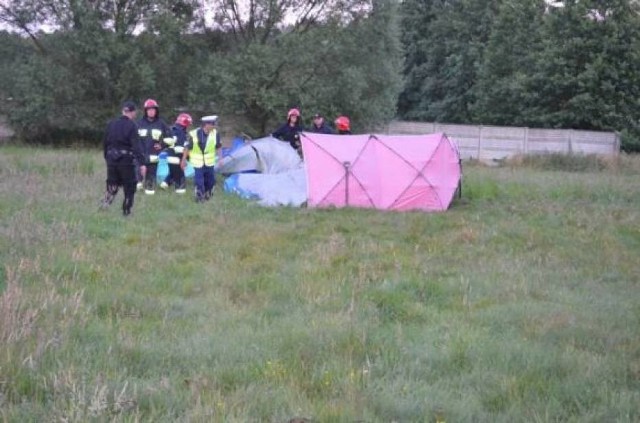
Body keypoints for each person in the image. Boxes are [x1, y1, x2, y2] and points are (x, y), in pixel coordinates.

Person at [99, 101, 146, 217]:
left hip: (111, 159)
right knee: (130, 186)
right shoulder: (132, 125)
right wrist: (142, 163)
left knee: (112, 184)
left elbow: (105, 143)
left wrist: (107, 158)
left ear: (123, 111)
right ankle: (126, 211)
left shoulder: (111, 124)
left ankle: (105, 204)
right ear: (133, 112)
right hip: (125, 160)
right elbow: (136, 146)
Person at [181, 115, 221, 203]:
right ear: (206, 124)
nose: (214, 126)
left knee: (210, 181)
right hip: (197, 162)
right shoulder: (193, 134)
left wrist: (221, 159)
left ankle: (208, 195)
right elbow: (187, 148)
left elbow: (218, 147)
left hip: (209, 162)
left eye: (214, 124)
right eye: (212, 124)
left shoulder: (215, 133)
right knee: (199, 181)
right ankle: (199, 198)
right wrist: (183, 160)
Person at [137, 98, 171, 195]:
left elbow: (171, 138)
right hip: (140, 156)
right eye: (149, 109)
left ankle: (149, 197)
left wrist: (162, 145)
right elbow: (133, 139)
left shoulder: (161, 124)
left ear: (156, 111)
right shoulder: (139, 123)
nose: (151, 111)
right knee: (137, 178)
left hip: (153, 157)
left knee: (150, 182)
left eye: (153, 109)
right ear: (146, 111)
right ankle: (137, 189)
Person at [161, 113, 192, 194]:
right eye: (188, 125)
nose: (188, 127)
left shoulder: (171, 130)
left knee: (173, 172)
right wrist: (186, 158)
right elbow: (181, 148)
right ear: (185, 124)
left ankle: (165, 184)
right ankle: (180, 193)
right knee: (180, 176)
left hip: (169, 156)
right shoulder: (181, 133)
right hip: (176, 158)